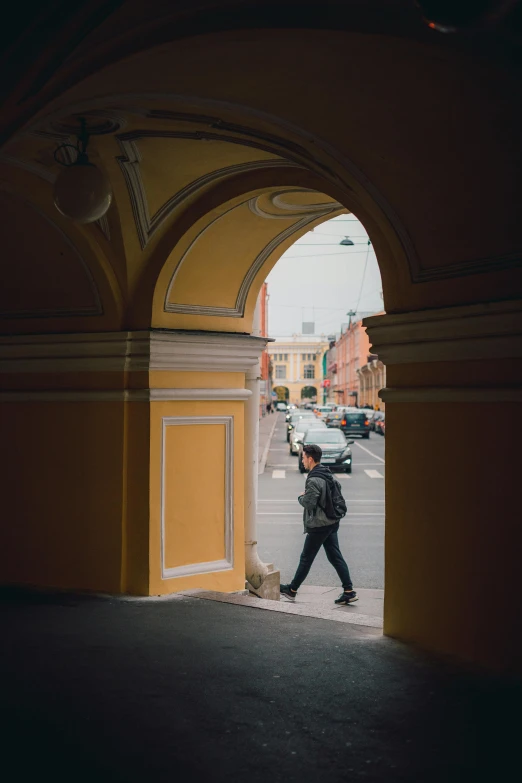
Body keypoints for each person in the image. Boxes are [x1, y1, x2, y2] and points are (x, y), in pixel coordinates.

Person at [280, 444, 357, 605]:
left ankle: (292, 590)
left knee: (306, 558)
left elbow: (309, 503)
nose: (302, 461)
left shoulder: (314, 478)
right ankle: (348, 591)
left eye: (303, 458)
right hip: (331, 521)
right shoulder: (325, 472)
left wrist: (301, 496)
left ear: (310, 459)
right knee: (335, 556)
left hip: (320, 525)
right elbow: (337, 488)